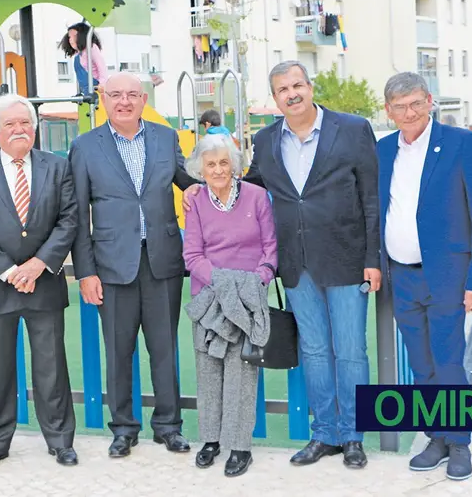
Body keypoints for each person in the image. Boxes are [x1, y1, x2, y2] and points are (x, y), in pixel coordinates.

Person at [183, 60, 380, 469]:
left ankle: (353, 435)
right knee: (313, 350)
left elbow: (371, 198)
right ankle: (325, 433)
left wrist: (372, 259)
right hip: (296, 264)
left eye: (296, 86)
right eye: (281, 90)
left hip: (346, 258)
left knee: (351, 351)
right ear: (275, 99)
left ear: (310, 86)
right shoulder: (270, 139)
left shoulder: (353, 129)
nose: (291, 94)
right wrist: (201, 190)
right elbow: (247, 183)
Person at [377, 72, 472, 481]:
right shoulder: (382, 151)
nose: (409, 112)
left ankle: (460, 443)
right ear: (388, 111)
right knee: (421, 364)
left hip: (447, 275)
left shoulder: (461, 145)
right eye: (400, 106)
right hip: (402, 276)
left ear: (430, 101)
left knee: (448, 363)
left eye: (415, 103)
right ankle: (436, 437)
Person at [69, 72, 198, 458]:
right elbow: (77, 214)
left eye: (131, 95)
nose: (123, 101)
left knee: (164, 348)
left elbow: (183, 178)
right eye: (115, 95)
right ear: (103, 99)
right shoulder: (85, 147)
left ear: (144, 99)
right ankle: (124, 428)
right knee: (118, 350)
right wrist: (86, 272)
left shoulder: (165, 137)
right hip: (111, 266)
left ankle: (169, 426)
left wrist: (194, 186)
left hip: (162, 260)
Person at [0, 93, 79, 471]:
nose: (18, 130)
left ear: (34, 128)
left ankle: (60, 441)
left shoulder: (57, 167)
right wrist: (11, 270)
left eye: (24, 123)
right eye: (10, 124)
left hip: (43, 283)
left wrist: (38, 265)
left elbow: (68, 220)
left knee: (51, 367)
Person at [182, 133, 277, 477]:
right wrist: (225, 284)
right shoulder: (195, 202)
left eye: (225, 162)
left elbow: (270, 247)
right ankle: (210, 440)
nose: (219, 169)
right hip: (209, 298)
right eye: (211, 164)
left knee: (242, 373)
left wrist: (259, 280)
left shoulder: (256, 197)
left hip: (249, 297)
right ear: (201, 169)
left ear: (235, 165)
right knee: (208, 372)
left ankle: (240, 446)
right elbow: (192, 255)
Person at [58, 22, 109, 96]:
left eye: (74, 36)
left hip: (95, 88)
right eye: (69, 37)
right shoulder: (77, 54)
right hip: (85, 90)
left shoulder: (91, 48)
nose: (70, 39)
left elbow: (101, 66)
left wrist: (103, 83)